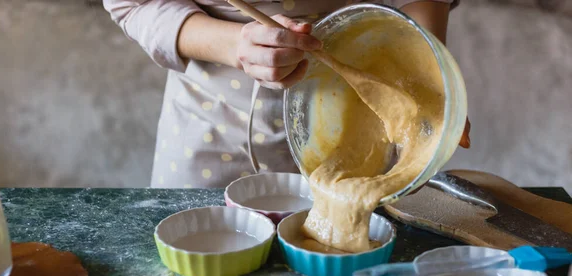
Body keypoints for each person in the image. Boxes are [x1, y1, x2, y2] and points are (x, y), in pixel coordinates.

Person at [104, 0, 466, 189]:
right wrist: (234, 45)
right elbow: (134, 3)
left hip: (361, 129)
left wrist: (428, 74)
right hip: (208, 133)